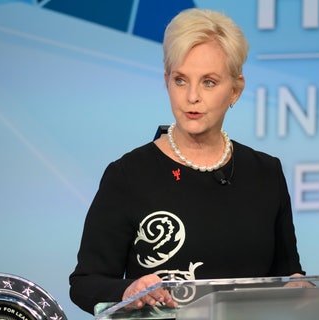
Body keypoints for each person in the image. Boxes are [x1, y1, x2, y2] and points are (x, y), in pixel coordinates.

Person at [69, 8, 305, 315]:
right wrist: (128, 290)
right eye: (181, 80)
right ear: (167, 81)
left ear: (235, 89)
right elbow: (85, 283)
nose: (192, 96)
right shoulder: (128, 175)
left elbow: (287, 274)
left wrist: (299, 286)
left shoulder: (265, 172)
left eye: (208, 82)